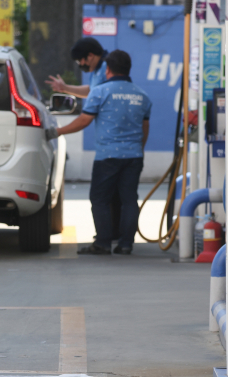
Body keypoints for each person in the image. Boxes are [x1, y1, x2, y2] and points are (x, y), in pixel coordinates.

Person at [56, 50, 152, 255]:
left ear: (108, 70)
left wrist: (58, 131)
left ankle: (103, 243)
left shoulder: (100, 92)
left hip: (108, 156)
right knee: (128, 199)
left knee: (100, 199)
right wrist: (138, 149)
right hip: (133, 156)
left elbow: (84, 120)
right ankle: (126, 244)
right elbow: (145, 128)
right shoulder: (142, 95)